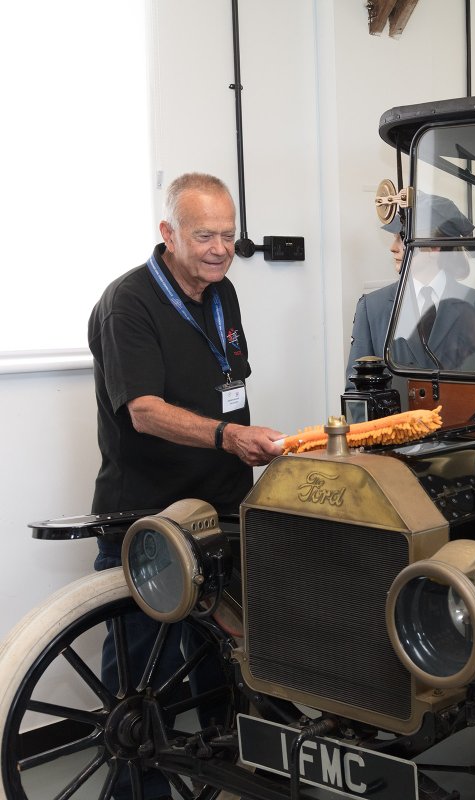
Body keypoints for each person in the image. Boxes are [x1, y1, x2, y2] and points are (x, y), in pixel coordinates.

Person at [89, 172, 282, 798]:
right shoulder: (130, 303)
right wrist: (228, 438)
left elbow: (230, 383)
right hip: (149, 520)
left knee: (223, 665)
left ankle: (226, 777)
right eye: (204, 235)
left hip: (222, 511)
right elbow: (143, 410)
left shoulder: (223, 294)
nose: (220, 248)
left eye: (228, 235)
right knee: (144, 688)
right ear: (168, 232)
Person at [345, 193, 475, 385]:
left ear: (433, 247)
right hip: (399, 416)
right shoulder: (373, 307)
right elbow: (357, 391)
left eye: (403, 238)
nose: (393, 247)